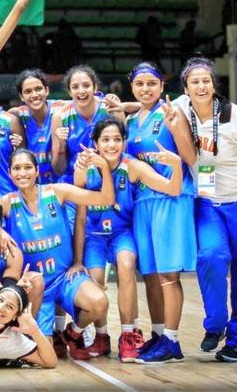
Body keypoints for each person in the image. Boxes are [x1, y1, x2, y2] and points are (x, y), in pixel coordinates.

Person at [176, 57, 237, 362]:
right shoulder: (180, 108)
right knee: (210, 256)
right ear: (186, 88)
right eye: (195, 81)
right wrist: (121, 108)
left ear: (214, 85)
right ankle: (215, 324)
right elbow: (144, 104)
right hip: (209, 200)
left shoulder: (236, 115)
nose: (201, 86)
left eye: (206, 81)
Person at [71, 118, 183, 362]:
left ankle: (128, 334)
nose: (112, 145)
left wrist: (176, 165)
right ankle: (101, 337)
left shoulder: (132, 165)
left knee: (126, 266)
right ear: (95, 143)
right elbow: (80, 218)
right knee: (96, 279)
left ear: (124, 142)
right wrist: (77, 259)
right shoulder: (82, 167)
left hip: (123, 232)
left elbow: (173, 189)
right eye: (105, 139)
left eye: (117, 139)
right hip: (95, 236)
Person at [0, 148, 113, 360]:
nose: (23, 173)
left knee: (99, 302)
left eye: (28, 167)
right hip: (35, 288)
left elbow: (105, 198)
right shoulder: (5, 203)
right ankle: (45, 334)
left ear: (37, 171)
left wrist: (104, 167)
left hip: (64, 278)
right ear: (10, 173)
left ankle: (73, 332)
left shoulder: (57, 191)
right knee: (44, 355)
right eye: (17, 168)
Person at [124, 61, 197, 364]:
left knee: (168, 274)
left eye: (151, 83)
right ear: (132, 87)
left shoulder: (172, 113)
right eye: (139, 84)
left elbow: (190, 156)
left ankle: (173, 341)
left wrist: (177, 128)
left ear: (162, 86)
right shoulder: (131, 121)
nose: (145, 89)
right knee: (151, 275)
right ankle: (158, 336)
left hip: (171, 198)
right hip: (144, 202)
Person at [51, 65, 120, 185]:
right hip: (73, 183)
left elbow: (124, 154)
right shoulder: (60, 117)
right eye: (75, 87)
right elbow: (58, 169)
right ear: (69, 92)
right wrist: (61, 146)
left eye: (86, 85)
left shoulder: (110, 109)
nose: (81, 91)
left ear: (95, 87)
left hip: (108, 180)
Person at [9, 69, 66, 184]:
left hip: (61, 183)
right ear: (21, 96)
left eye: (38, 89)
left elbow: (85, 103)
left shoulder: (62, 108)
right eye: (28, 91)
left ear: (47, 90)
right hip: (33, 185)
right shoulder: (18, 114)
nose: (34, 95)